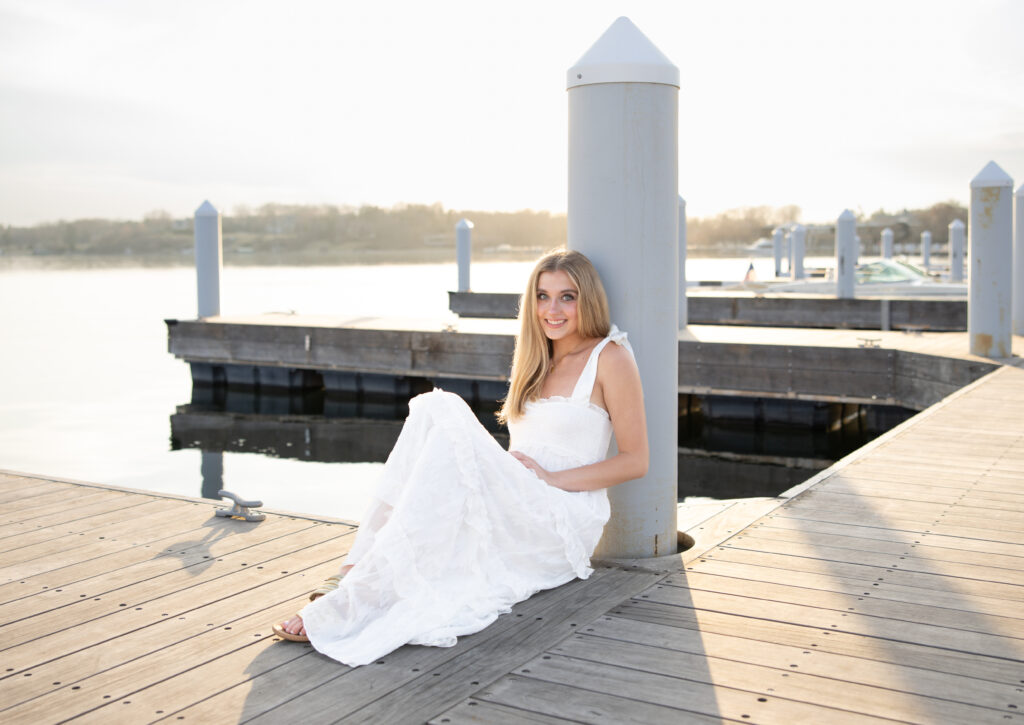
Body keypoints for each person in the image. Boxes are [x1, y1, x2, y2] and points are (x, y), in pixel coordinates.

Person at [272, 248, 648, 666]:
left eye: (567, 296)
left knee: (443, 407)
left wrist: (551, 479)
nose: (552, 309)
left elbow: (635, 460)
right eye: (542, 296)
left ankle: (353, 584)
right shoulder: (537, 360)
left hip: (561, 515)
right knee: (433, 417)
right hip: (520, 502)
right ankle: (356, 571)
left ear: (587, 299)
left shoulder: (610, 357)